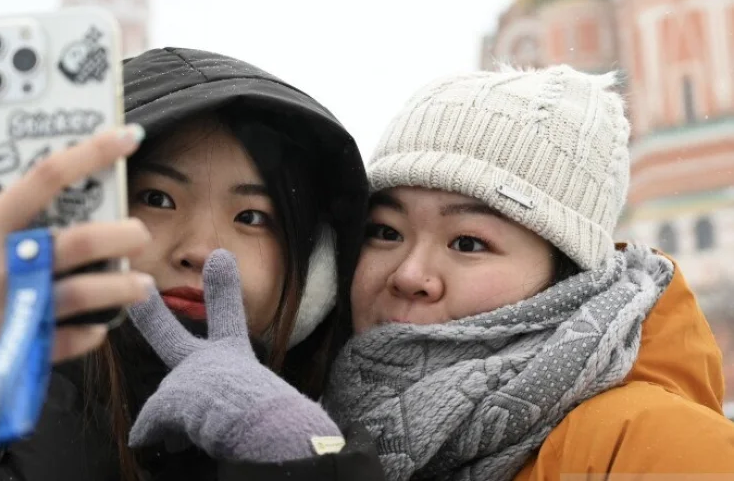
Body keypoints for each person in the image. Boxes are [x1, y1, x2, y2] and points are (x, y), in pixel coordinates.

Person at [126, 64, 734, 480]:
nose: (411, 274)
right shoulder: (334, 420)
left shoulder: (650, 445)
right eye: (385, 232)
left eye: (468, 241)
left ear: (566, 277)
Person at [0, 47, 377, 481]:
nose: (202, 250)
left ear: (314, 278)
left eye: (253, 217)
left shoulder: (358, 431)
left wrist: (289, 451)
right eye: (157, 199)